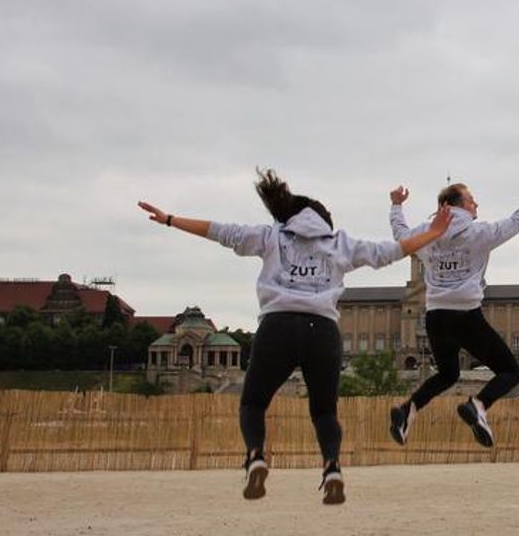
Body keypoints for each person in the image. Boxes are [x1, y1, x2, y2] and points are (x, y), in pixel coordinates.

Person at [137, 169, 451, 504]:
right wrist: (434, 231)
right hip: (323, 331)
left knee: (254, 403)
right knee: (324, 412)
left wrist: (170, 219)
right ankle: (332, 467)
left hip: (278, 326)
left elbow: (219, 231)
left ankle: (256, 456)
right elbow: (393, 251)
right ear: (322, 220)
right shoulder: (341, 242)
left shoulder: (272, 236)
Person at [387, 173, 519, 448]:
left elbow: (400, 233)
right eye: (472, 201)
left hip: (435, 317)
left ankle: (406, 411)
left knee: (448, 374)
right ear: (458, 205)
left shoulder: (425, 234)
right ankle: (478, 406)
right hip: (465, 316)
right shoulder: (480, 233)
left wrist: (396, 205)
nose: (476, 205)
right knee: (510, 372)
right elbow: (518, 220)